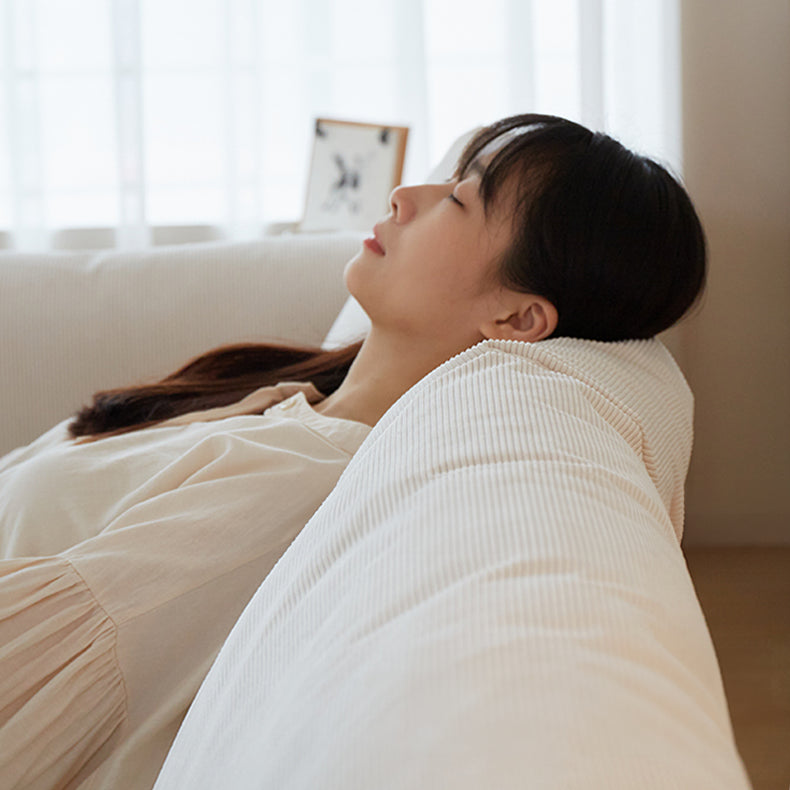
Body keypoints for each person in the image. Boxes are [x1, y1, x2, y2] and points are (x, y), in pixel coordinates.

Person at [0, 113, 706, 790]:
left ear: (517, 317)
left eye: (459, 200)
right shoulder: (291, 400)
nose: (405, 195)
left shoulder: (294, 484)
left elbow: (33, 676)